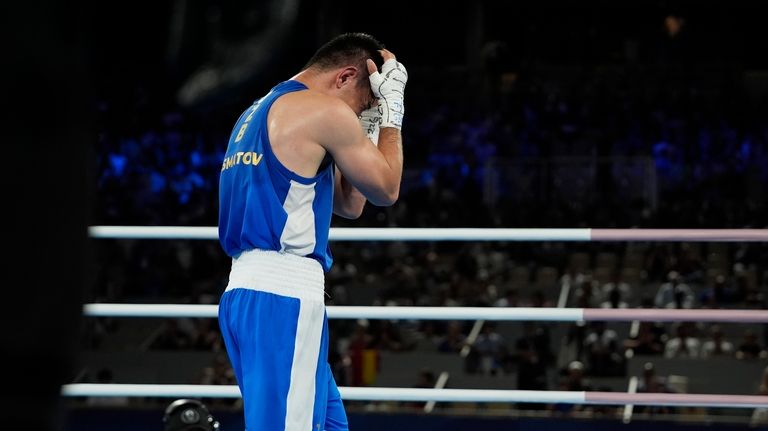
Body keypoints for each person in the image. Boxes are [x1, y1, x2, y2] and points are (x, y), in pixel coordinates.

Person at [216, 33, 407, 431]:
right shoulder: (323, 112)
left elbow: (352, 204)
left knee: (330, 426)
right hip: (283, 298)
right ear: (345, 76)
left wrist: (370, 122)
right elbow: (387, 188)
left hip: (251, 294)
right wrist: (392, 111)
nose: (356, 118)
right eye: (362, 105)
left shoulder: (259, 110)